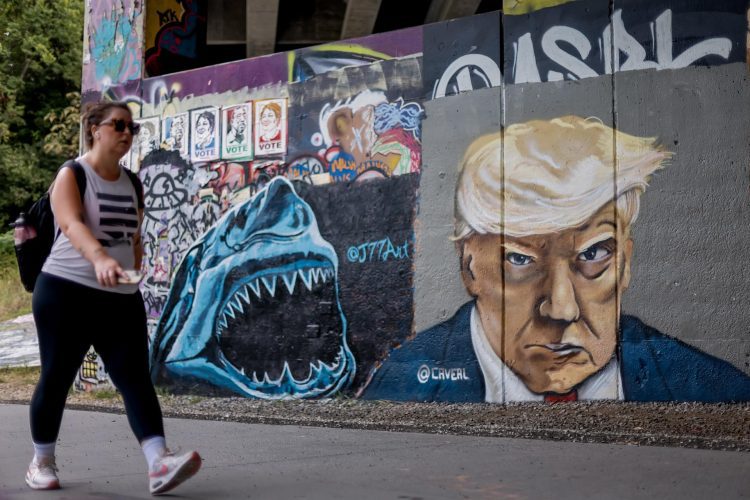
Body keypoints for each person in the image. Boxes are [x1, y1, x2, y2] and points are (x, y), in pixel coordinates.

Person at [363, 115, 750, 403]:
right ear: (469, 268)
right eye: (518, 259)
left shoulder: (716, 390)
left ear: (626, 264)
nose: (561, 309)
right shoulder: (401, 383)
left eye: (594, 253)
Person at [26, 101, 202, 494]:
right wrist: (100, 258)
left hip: (119, 297)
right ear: (95, 129)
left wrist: (134, 272)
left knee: (135, 378)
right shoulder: (72, 174)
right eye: (118, 125)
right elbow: (71, 224)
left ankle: (159, 463)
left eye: (132, 127)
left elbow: (134, 236)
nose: (126, 133)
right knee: (56, 378)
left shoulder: (133, 182)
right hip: (64, 292)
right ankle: (42, 462)